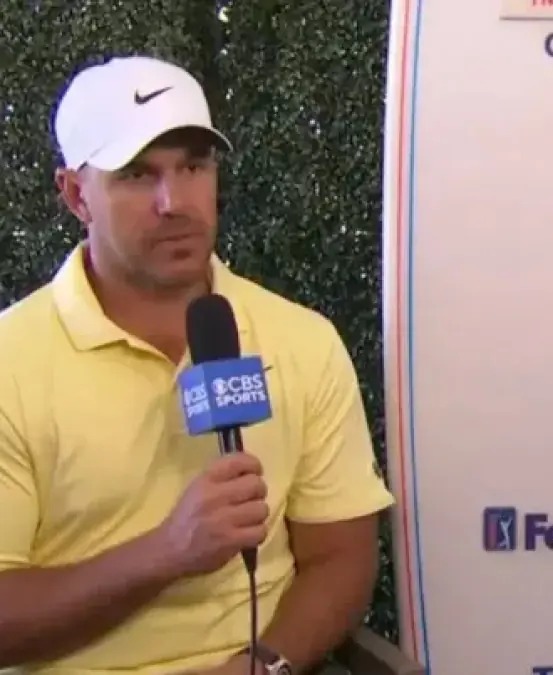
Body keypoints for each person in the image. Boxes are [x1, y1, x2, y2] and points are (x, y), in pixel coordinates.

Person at [0, 55, 395, 673]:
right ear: (76, 195)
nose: (174, 202)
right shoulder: (11, 361)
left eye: (193, 167)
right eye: (137, 174)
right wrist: (166, 552)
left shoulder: (302, 341)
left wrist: (263, 665)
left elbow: (339, 558)